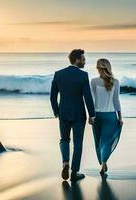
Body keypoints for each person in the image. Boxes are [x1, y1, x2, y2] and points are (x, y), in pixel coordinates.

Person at [50, 49, 95, 182]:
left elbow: (52, 97)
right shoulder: (83, 75)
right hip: (79, 114)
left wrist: (56, 111)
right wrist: (92, 114)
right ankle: (74, 173)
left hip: (63, 113)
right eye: (83, 59)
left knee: (64, 140)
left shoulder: (58, 74)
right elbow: (88, 97)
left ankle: (65, 163)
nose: (85, 62)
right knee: (78, 143)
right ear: (76, 60)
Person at [91, 58, 123, 174]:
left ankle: (103, 162)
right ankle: (104, 162)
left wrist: (91, 116)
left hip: (98, 116)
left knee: (99, 141)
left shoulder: (93, 81)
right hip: (111, 116)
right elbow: (116, 101)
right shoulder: (116, 82)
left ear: (99, 68)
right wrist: (120, 117)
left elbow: (94, 100)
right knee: (106, 141)